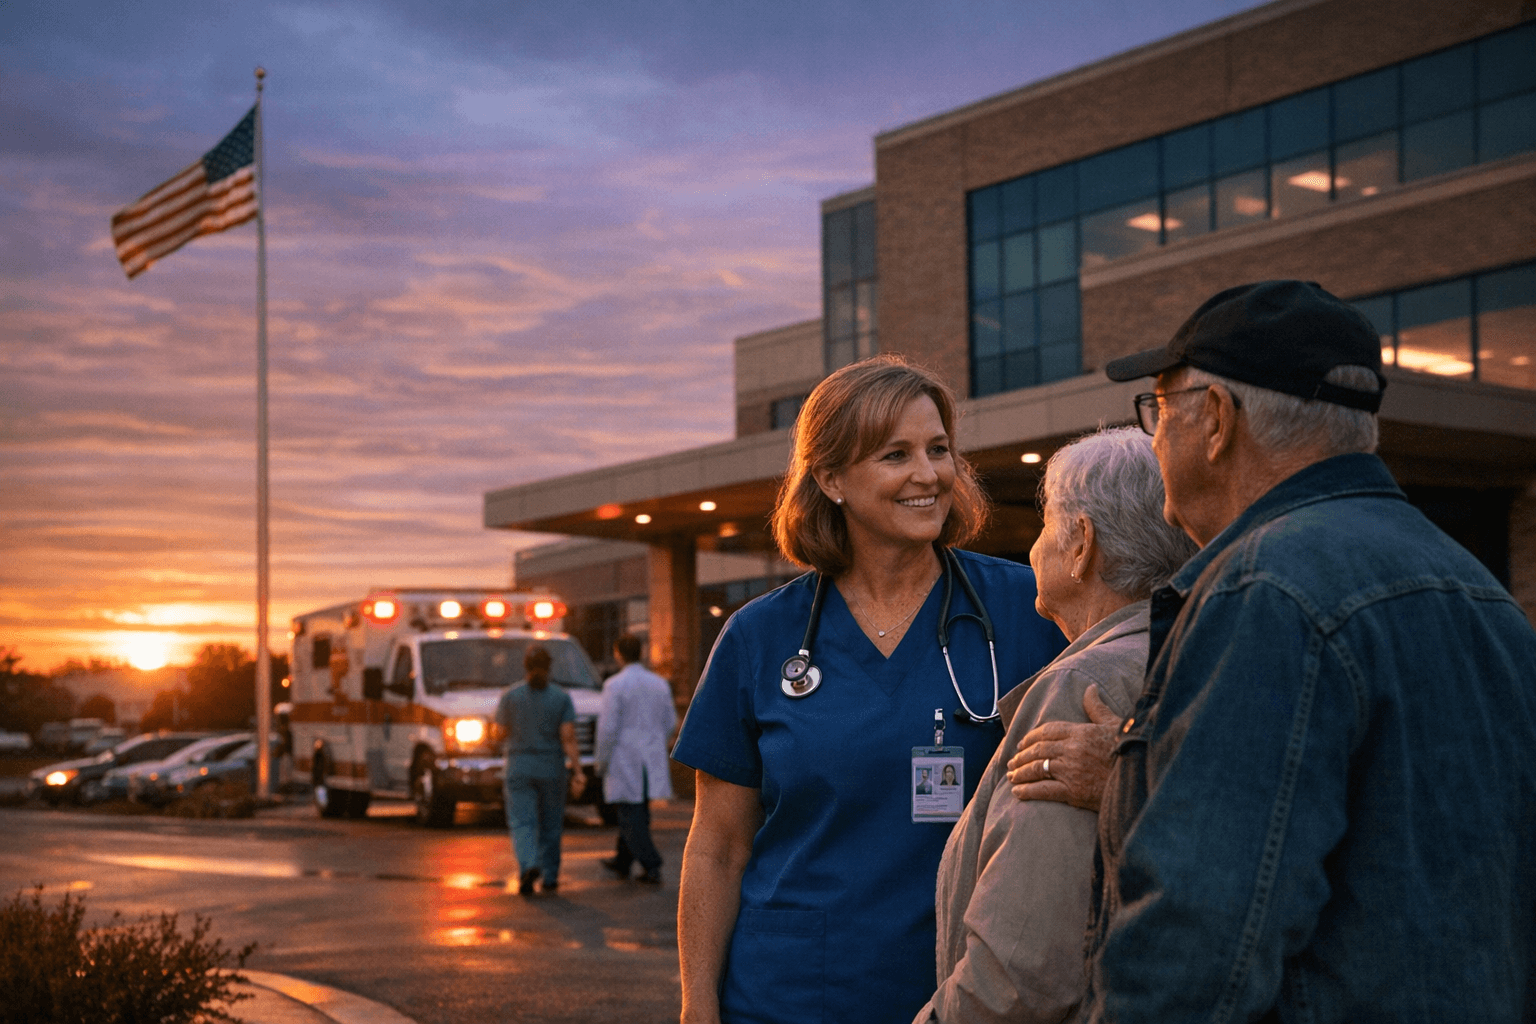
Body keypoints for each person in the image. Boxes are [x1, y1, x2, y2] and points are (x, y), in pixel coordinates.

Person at [1034, 280, 1536, 1021]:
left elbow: (1199, 933)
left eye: (1159, 411)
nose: (1154, 438)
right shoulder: (1482, 593)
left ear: (1216, 422)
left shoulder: (1265, 592)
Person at [673, 355, 1066, 1024]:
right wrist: (697, 1005)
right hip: (790, 994)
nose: (930, 475)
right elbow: (718, 845)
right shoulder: (760, 638)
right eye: (895, 455)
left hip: (971, 988)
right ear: (830, 479)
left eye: (939, 449)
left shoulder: (1032, 609)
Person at [912, 427, 1196, 1024]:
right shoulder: (1198, 658)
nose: (1034, 548)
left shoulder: (1081, 688)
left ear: (1081, 545)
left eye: (1046, 523)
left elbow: (1020, 973)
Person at [496, 645, 584, 896]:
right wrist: (577, 771)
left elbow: (500, 733)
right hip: (551, 769)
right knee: (551, 824)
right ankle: (550, 876)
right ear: (549, 667)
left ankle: (528, 864)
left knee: (523, 821)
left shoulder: (510, 697)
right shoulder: (561, 697)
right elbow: (568, 738)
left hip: (519, 768)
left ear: (525, 666)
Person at [596, 633, 678, 885]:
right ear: (641, 652)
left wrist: (602, 760)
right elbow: (671, 722)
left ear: (618, 653)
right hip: (649, 755)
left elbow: (608, 728)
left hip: (625, 756)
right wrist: (656, 742)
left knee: (630, 813)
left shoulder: (614, 685)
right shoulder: (659, 683)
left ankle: (651, 864)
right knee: (637, 810)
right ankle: (622, 860)